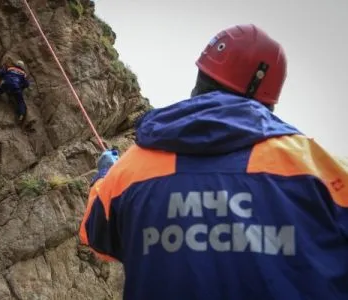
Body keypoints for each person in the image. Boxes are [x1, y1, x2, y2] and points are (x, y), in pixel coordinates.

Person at [79, 24, 348, 299]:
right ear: (267, 95)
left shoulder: (130, 170)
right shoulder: (319, 169)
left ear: (201, 77)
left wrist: (104, 175)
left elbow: (96, 237)